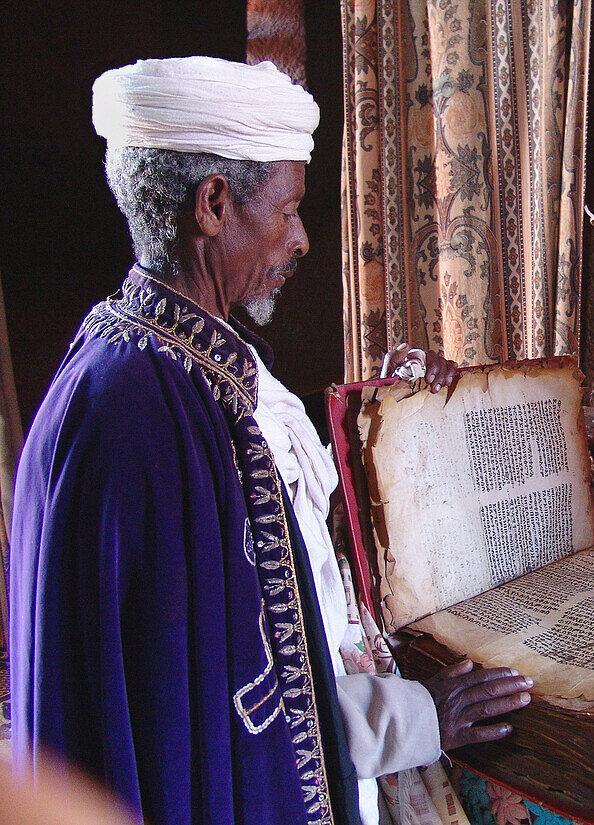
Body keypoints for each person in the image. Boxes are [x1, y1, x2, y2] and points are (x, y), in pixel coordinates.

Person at [9, 57, 532, 825]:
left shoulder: (182, 356)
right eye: (287, 210)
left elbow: (279, 549)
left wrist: (383, 427)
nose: (302, 239)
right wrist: (422, 717)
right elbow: (244, 708)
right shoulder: (139, 421)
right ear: (214, 204)